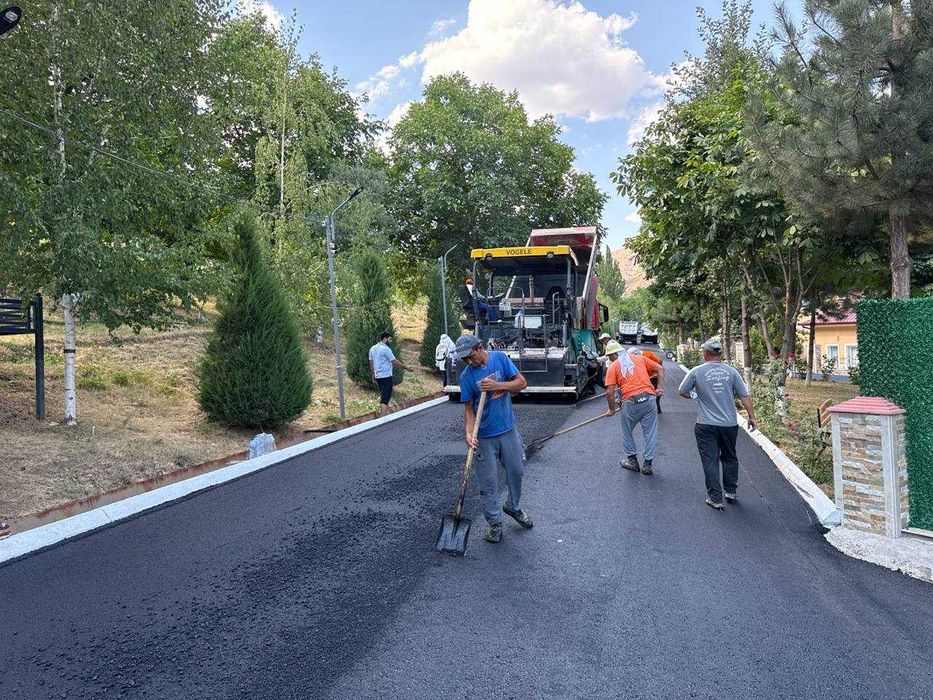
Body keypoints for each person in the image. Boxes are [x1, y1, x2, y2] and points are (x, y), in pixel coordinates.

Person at [455, 333, 531, 544]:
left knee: (517, 471)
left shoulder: (499, 359)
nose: (469, 362)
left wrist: (497, 386)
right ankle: (495, 524)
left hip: (507, 430)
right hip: (485, 438)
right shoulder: (466, 377)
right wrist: (468, 433)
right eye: (464, 360)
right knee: (488, 484)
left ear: (480, 348)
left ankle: (513, 507)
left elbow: (521, 383)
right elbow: (468, 409)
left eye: (471, 356)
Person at [677, 338, 758, 511]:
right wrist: (752, 417)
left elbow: (682, 391)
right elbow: (744, 396)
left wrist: (695, 396)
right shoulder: (732, 372)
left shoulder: (696, 372)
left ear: (705, 353)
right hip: (729, 424)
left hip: (705, 425)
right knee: (730, 456)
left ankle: (715, 498)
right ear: (719, 353)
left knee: (710, 460)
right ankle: (730, 492)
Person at [604, 340, 664, 475]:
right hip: (649, 399)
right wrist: (659, 388)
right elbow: (659, 368)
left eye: (609, 356)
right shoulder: (639, 358)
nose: (609, 359)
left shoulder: (613, 367)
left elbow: (610, 392)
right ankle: (647, 464)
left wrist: (612, 409)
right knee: (650, 432)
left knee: (627, 431)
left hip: (631, 402)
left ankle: (632, 461)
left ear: (614, 355)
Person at [368, 332, 409, 415]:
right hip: (386, 376)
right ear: (385, 339)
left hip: (378, 376)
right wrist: (406, 367)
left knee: (383, 395)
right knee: (385, 398)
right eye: (390, 339)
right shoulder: (386, 349)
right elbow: (394, 361)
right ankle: (383, 418)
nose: (391, 341)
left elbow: (371, 362)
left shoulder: (372, 348)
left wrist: (373, 375)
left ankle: (383, 414)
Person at [629, 347, 664, 413]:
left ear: (636, 354)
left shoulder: (648, 355)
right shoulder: (635, 359)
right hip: (646, 376)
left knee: (654, 392)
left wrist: (655, 371)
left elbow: (660, 362)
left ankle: (656, 408)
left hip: (654, 375)